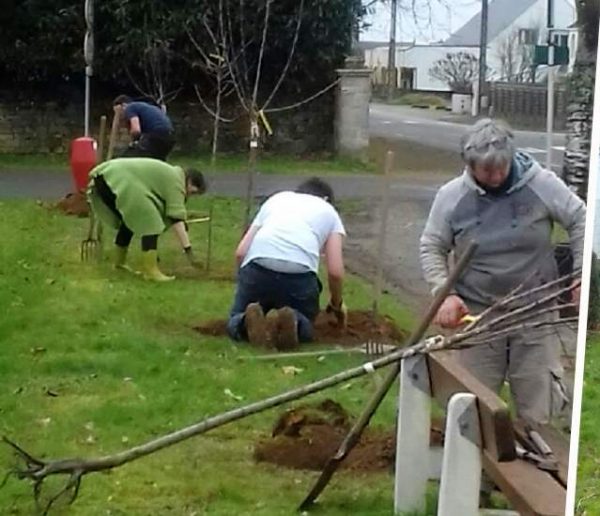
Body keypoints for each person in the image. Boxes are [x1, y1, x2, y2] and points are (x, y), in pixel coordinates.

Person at [419, 118, 586, 425]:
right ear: (469, 165)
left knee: (538, 409)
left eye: (502, 167)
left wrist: (581, 274)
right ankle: (475, 471)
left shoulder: (542, 184)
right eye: (487, 170)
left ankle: (538, 464)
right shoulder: (452, 196)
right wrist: (445, 294)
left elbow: (580, 219)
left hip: (535, 311)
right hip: (478, 314)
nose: (496, 176)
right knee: (471, 409)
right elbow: (432, 245)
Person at [227, 178, 347, 350]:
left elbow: (241, 252)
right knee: (308, 324)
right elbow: (335, 271)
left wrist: (244, 284)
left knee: (236, 316)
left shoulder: (276, 199)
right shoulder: (329, 212)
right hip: (298, 276)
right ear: (326, 199)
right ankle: (295, 321)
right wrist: (336, 304)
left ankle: (245, 322)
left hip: (258, 267)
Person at [87, 157, 206, 281]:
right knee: (150, 223)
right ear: (190, 181)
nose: (189, 196)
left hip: (105, 176)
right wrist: (189, 252)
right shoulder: (177, 182)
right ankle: (151, 271)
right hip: (115, 177)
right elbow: (176, 219)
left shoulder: (172, 175)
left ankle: (119, 264)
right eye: (192, 193)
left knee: (130, 220)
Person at [113, 95, 175, 161]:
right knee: (155, 161)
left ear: (124, 105)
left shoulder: (130, 107)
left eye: (119, 113)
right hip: (170, 137)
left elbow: (136, 130)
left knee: (126, 159)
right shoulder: (147, 107)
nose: (120, 116)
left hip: (157, 134)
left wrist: (133, 142)